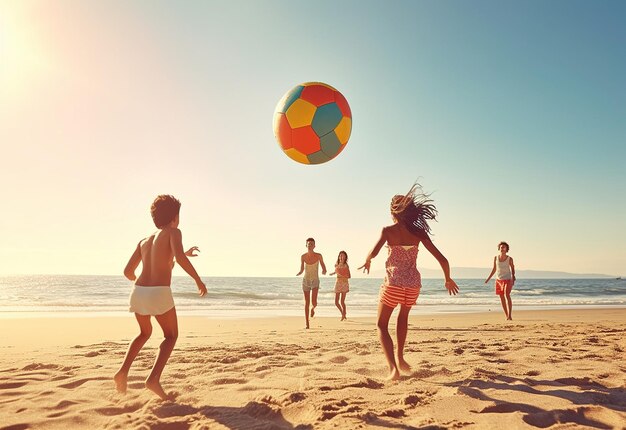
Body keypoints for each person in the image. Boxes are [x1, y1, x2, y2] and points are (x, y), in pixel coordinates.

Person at [358, 182, 459, 380]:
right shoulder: (419, 233)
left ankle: (393, 369)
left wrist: (367, 259)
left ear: (393, 212)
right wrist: (447, 279)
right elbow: (443, 260)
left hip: (394, 282)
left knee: (381, 325)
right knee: (403, 317)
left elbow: (375, 252)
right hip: (413, 285)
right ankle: (401, 357)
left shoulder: (388, 231)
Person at [114, 195, 207, 400]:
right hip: (159, 292)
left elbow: (128, 271)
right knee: (171, 336)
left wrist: (144, 285)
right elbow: (179, 257)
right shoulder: (174, 232)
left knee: (144, 333)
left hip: (138, 292)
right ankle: (153, 379)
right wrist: (198, 280)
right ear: (175, 217)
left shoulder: (144, 241)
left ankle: (122, 372)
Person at [296, 238, 327, 329]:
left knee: (314, 302)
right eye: (308, 244)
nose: (310, 245)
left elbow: (323, 266)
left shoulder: (318, 256)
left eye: (311, 244)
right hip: (306, 281)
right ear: (306, 245)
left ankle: (313, 309)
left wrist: (324, 270)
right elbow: (302, 269)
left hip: (315, 281)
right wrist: (299, 272)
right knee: (306, 302)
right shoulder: (303, 256)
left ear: (314, 246)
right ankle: (307, 323)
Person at [485, 241, 516, 320]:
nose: (502, 248)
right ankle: (507, 316)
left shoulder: (509, 259)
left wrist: (513, 277)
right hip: (499, 280)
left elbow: (512, 269)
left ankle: (510, 315)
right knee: (501, 297)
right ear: (499, 248)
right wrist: (488, 278)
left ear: (506, 249)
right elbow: (494, 269)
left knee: (507, 294)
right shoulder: (496, 258)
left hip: (508, 279)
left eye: (504, 247)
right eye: (501, 247)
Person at [329, 251, 351, 321]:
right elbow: (336, 271)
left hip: (344, 283)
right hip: (338, 283)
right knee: (336, 302)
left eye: (343, 256)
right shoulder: (336, 264)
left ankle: (343, 314)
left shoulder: (346, 265)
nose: (341, 257)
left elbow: (349, 276)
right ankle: (343, 313)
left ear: (345, 257)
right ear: (339, 257)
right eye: (340, 256)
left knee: (342, 301)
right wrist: (333, 273)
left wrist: (341, 274)